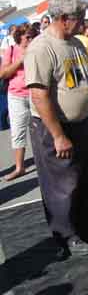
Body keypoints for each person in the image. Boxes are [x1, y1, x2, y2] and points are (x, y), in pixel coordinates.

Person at [24, 0, 88, 257]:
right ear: (62, 18)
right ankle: (67, 234)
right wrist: (58, 136)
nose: (83, 22)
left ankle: (87, 223)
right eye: (79, 18)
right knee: (62, 185)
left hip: (83, 124)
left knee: (87, 178)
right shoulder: (41, 48)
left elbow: (86, 83)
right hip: (55, 129)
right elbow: (39, 95)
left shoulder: (76, 44)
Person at [0, 23, 39, 181]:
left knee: (38, 129)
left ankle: (43, 161)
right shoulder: (11, 50)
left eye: (32, 36)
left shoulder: (37, 50)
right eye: (27, 37)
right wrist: (20, 61)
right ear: (19, 37)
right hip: (16, 95)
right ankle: (19, 167)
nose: (30, 40)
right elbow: (3, 73)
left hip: (36, 93)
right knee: (18, 131)